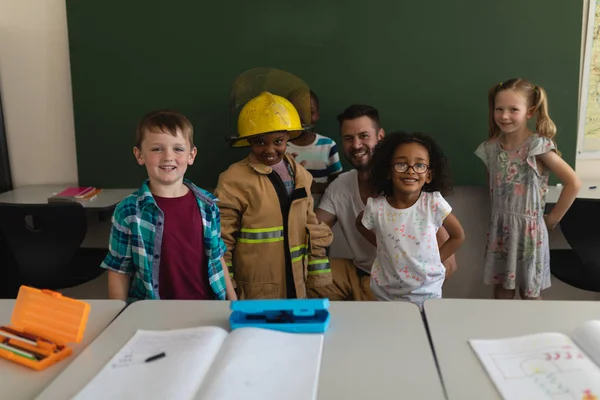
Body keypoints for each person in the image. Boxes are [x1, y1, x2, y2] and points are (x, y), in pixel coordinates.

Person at [308, 104, 458, 301]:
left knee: (376, 296)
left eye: (363, 136)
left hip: (393, 284)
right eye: (348, 138)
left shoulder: (410, 190)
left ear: (380, 137)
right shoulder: (340, 186)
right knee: (307, 274)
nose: (356, 145)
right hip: (357, 272)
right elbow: (313, 230)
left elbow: (450, 264)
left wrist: (415, 281)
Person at [101, 110, 236, 303]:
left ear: (191, 155)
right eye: (157, 149)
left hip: (207, 308)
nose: (168, 156)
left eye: (178, 149)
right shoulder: (128, 211)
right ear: (139, 155)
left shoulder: (208, 205)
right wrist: (118, 315)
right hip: (154, 312)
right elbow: (119, 269)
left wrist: (233, 303)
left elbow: (217, 258)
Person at [215, 87, 333, 299]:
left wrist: (318, 281)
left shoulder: (302, 177)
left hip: (297, 287)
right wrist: (227, 289)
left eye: (278, 141)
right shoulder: (233, 180)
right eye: (260, 142)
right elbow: (222, 240)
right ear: (248, 140)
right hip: (253, 292)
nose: (270, 150)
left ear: (289, 137)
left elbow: (312, 228)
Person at [475, 78, 581, 300]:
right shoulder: (491, 148)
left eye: (513, 109)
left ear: (529, 112)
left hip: (529, 232)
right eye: (499, 109)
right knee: (502, 290)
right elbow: (492, 186)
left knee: (530, 293)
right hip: (501, 230)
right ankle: (503, 333)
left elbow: (573, 182)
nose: (504, 116)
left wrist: (551, 220)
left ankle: (534, 334)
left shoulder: (537, 146)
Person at [356, 132, 465, 308]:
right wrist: (384, 244)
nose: (410, 170)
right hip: (386, 294)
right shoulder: (377, 208)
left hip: (427, 292)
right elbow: (360, 225)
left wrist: (436, 260)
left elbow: (458, 236)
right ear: (388, 171)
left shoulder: (433, 203)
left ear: (429, 175)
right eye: (401, 164)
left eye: (420, 165)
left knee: (423, 332)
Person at [287, 90, 343, 204]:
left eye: (310, 112)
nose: (303, 118)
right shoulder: (281, 147)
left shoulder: (328, 145)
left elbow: (340, 182)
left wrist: (316, 187)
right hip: (289, 213)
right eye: (297, 112)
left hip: (321, 212)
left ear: (317, 115)